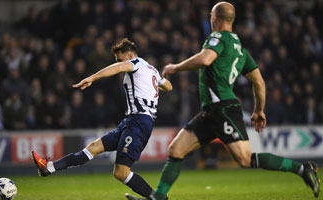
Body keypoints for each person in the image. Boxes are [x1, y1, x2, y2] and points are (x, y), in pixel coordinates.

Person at [125, 2, 320, 200]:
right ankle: (158, 198)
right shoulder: (241, 51)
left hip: (223, 108)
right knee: (176, 149)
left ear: (214, 18)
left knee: (245, 159)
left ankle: (303, 169)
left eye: (211, 16)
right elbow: (259, 82)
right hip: (211, 111)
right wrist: (259, 111)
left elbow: (205, 59)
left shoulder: (218, 37)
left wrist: (175, 67)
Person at [31, 38, 173, 198]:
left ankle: (155, 197)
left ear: (130, 55)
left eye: (120, 59)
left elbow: (119, 67)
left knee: (121, 172)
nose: (119, 63)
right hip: (131, 121)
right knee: (93, 147)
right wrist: (158, 84)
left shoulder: (137, 63)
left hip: (139, 123)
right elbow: (168, 86)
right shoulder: (152, 69)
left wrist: (92, 78)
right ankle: (49, 167)